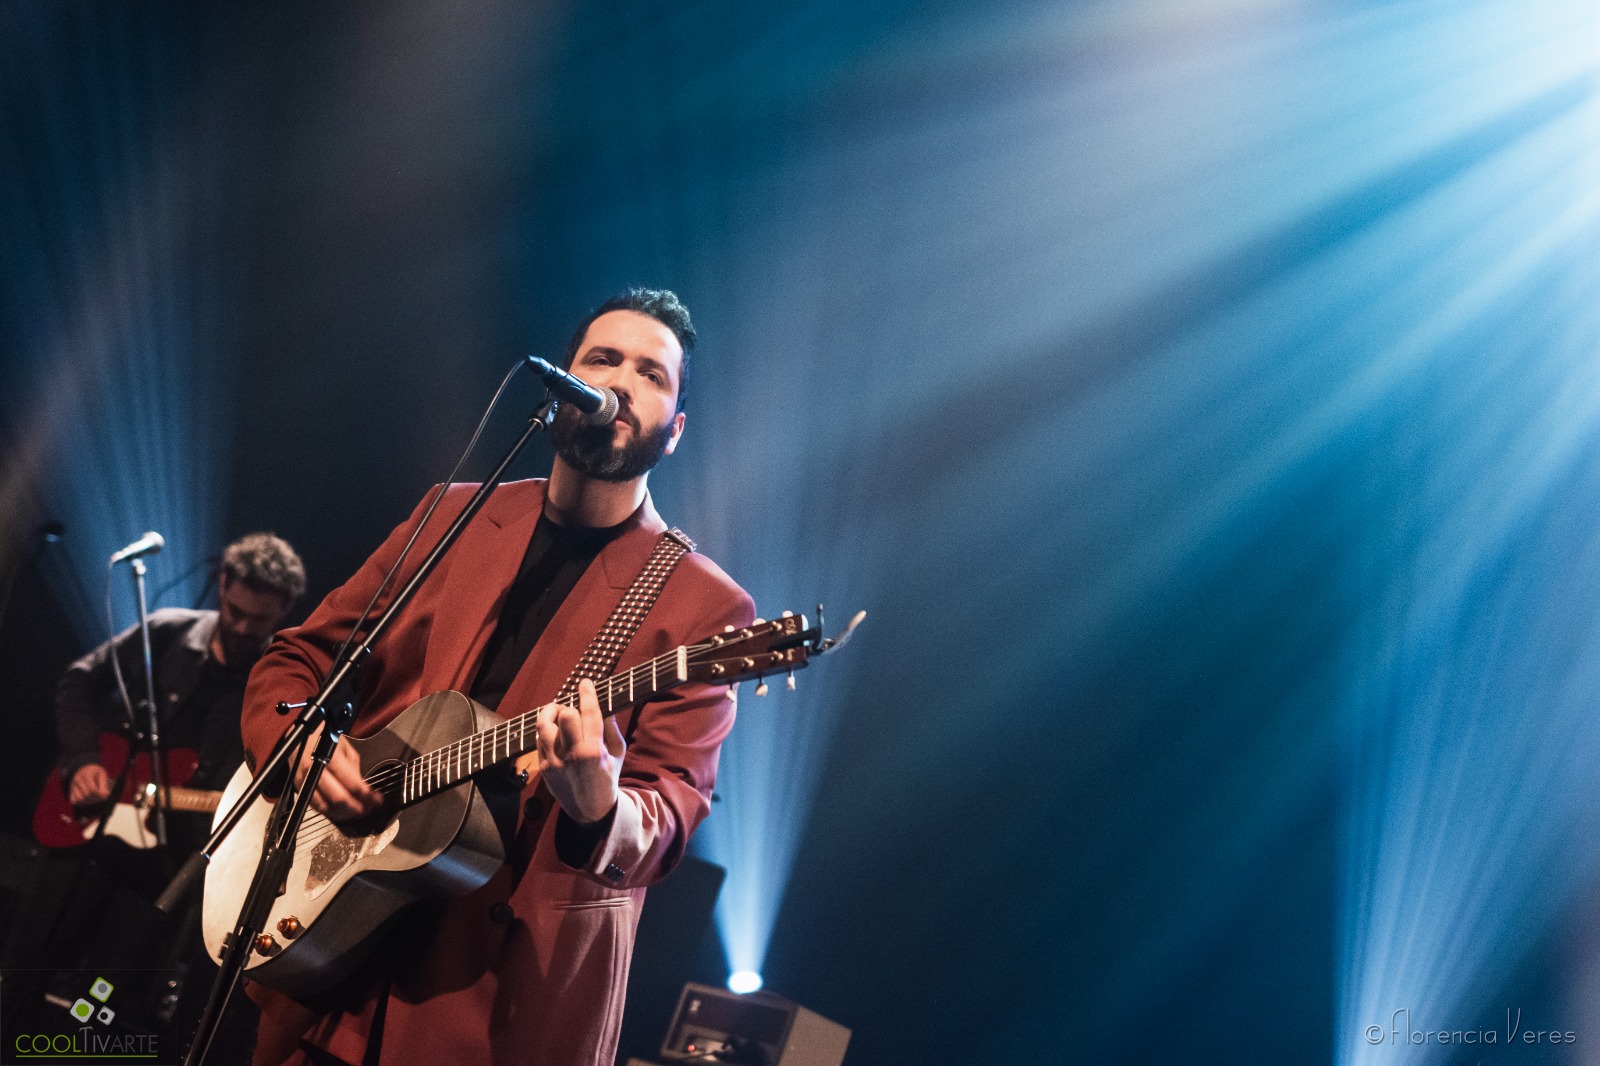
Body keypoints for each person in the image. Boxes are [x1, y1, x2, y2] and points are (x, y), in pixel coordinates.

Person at [241, 289, 755, 1066]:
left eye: (651, 373)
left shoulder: (701, 604)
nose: (619, 383)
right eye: (601, 360)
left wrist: (599, 806)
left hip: (493, 1004)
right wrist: (304, 741)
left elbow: (673, 807)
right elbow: (295, 662)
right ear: (558, 391)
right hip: (329, 957)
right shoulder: (452, 516)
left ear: (674, 430)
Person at [53, 532, 307, 842]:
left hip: (183, 852)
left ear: (285, 609)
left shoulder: (279, 685)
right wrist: (82, 759)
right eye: (236, 612)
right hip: (98, 817)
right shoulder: (168, 630)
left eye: (258, 620)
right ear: (223, 585)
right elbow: (79, 681)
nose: (242, 628)